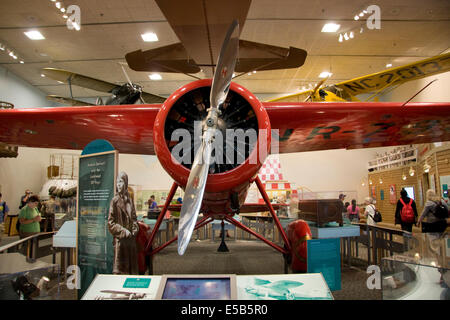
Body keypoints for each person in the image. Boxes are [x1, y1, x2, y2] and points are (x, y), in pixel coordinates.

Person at [108, 172, 139, 275]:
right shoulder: (114, 201)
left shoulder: (129, 200)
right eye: (117, 182)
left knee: (132, 273)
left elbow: (134, 218)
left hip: (131, 243)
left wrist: (135, 229)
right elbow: (111, 223)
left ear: (125, 183)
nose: (118, 185)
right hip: (121, 244)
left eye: (121, 181)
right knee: (120, 273)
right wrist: (123, 231)